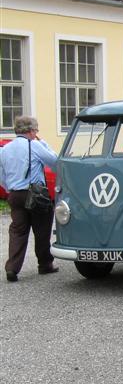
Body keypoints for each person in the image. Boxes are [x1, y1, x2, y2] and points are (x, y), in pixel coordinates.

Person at [0, 116, 59, 282]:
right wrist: (45, 145)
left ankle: (12, 268)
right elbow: (55, 163)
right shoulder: (34, 145)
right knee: (42, 229)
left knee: (17, 231)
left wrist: (9, 188)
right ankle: (45, 264)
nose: (36, 134)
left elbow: (1, 175)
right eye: (36, 131)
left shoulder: (5, 149)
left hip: (14, 194)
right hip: (35, 193)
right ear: (31, 131)